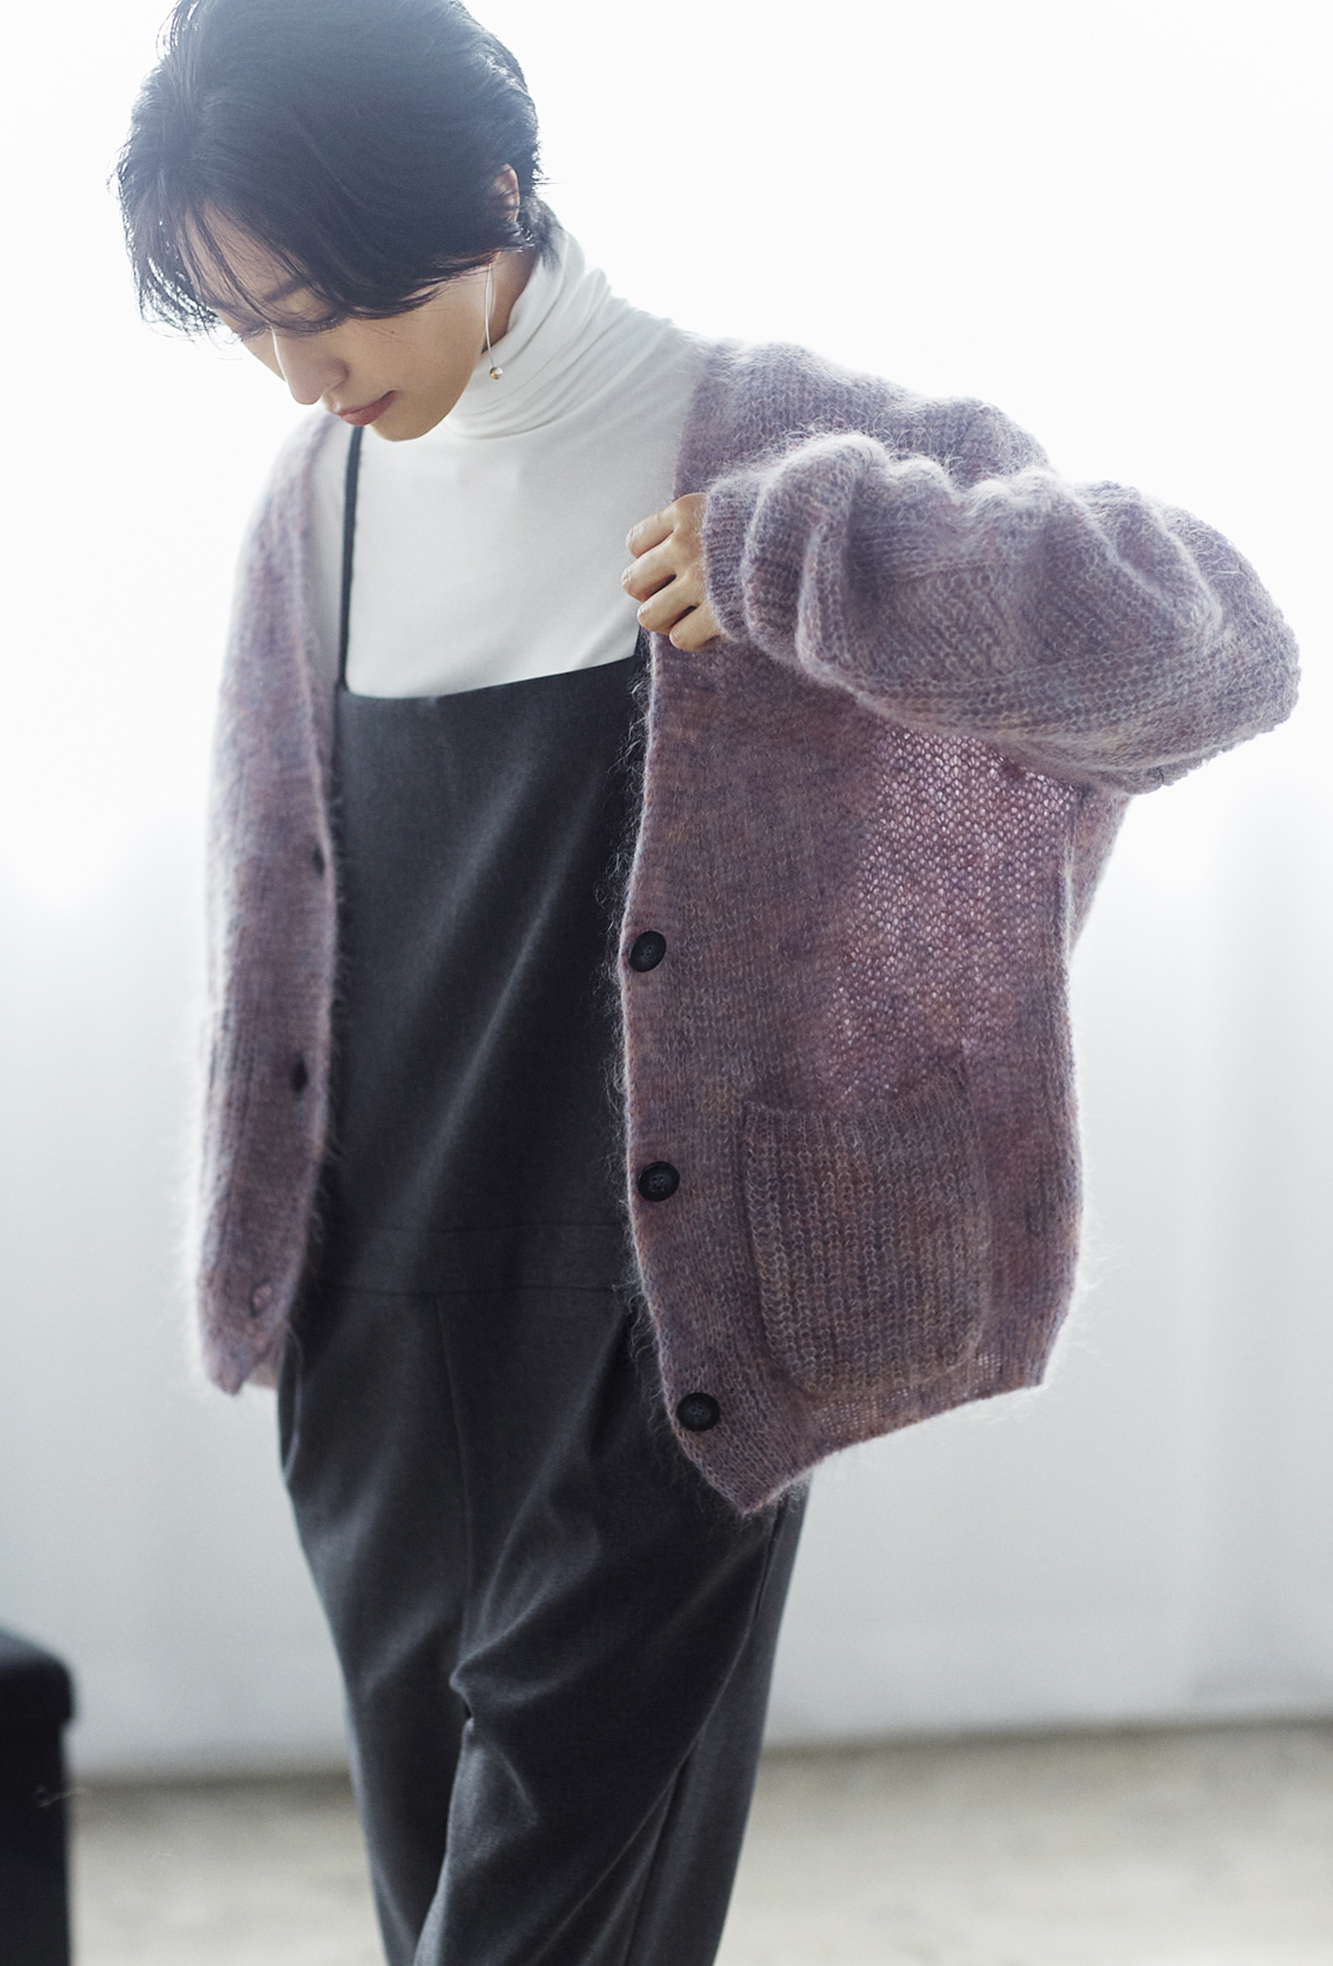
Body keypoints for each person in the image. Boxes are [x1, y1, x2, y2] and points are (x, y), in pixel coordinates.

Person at [117, 2, 1298, 1961]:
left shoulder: (789, 457)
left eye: (324, 308)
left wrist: (817, 561)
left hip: (673, 1324)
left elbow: (1214, 657)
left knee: (531, 1913)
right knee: (451, 1894)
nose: (298, 374)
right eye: (244, 324)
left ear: (489, 195)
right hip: (371, 1319)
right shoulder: (311, 505)